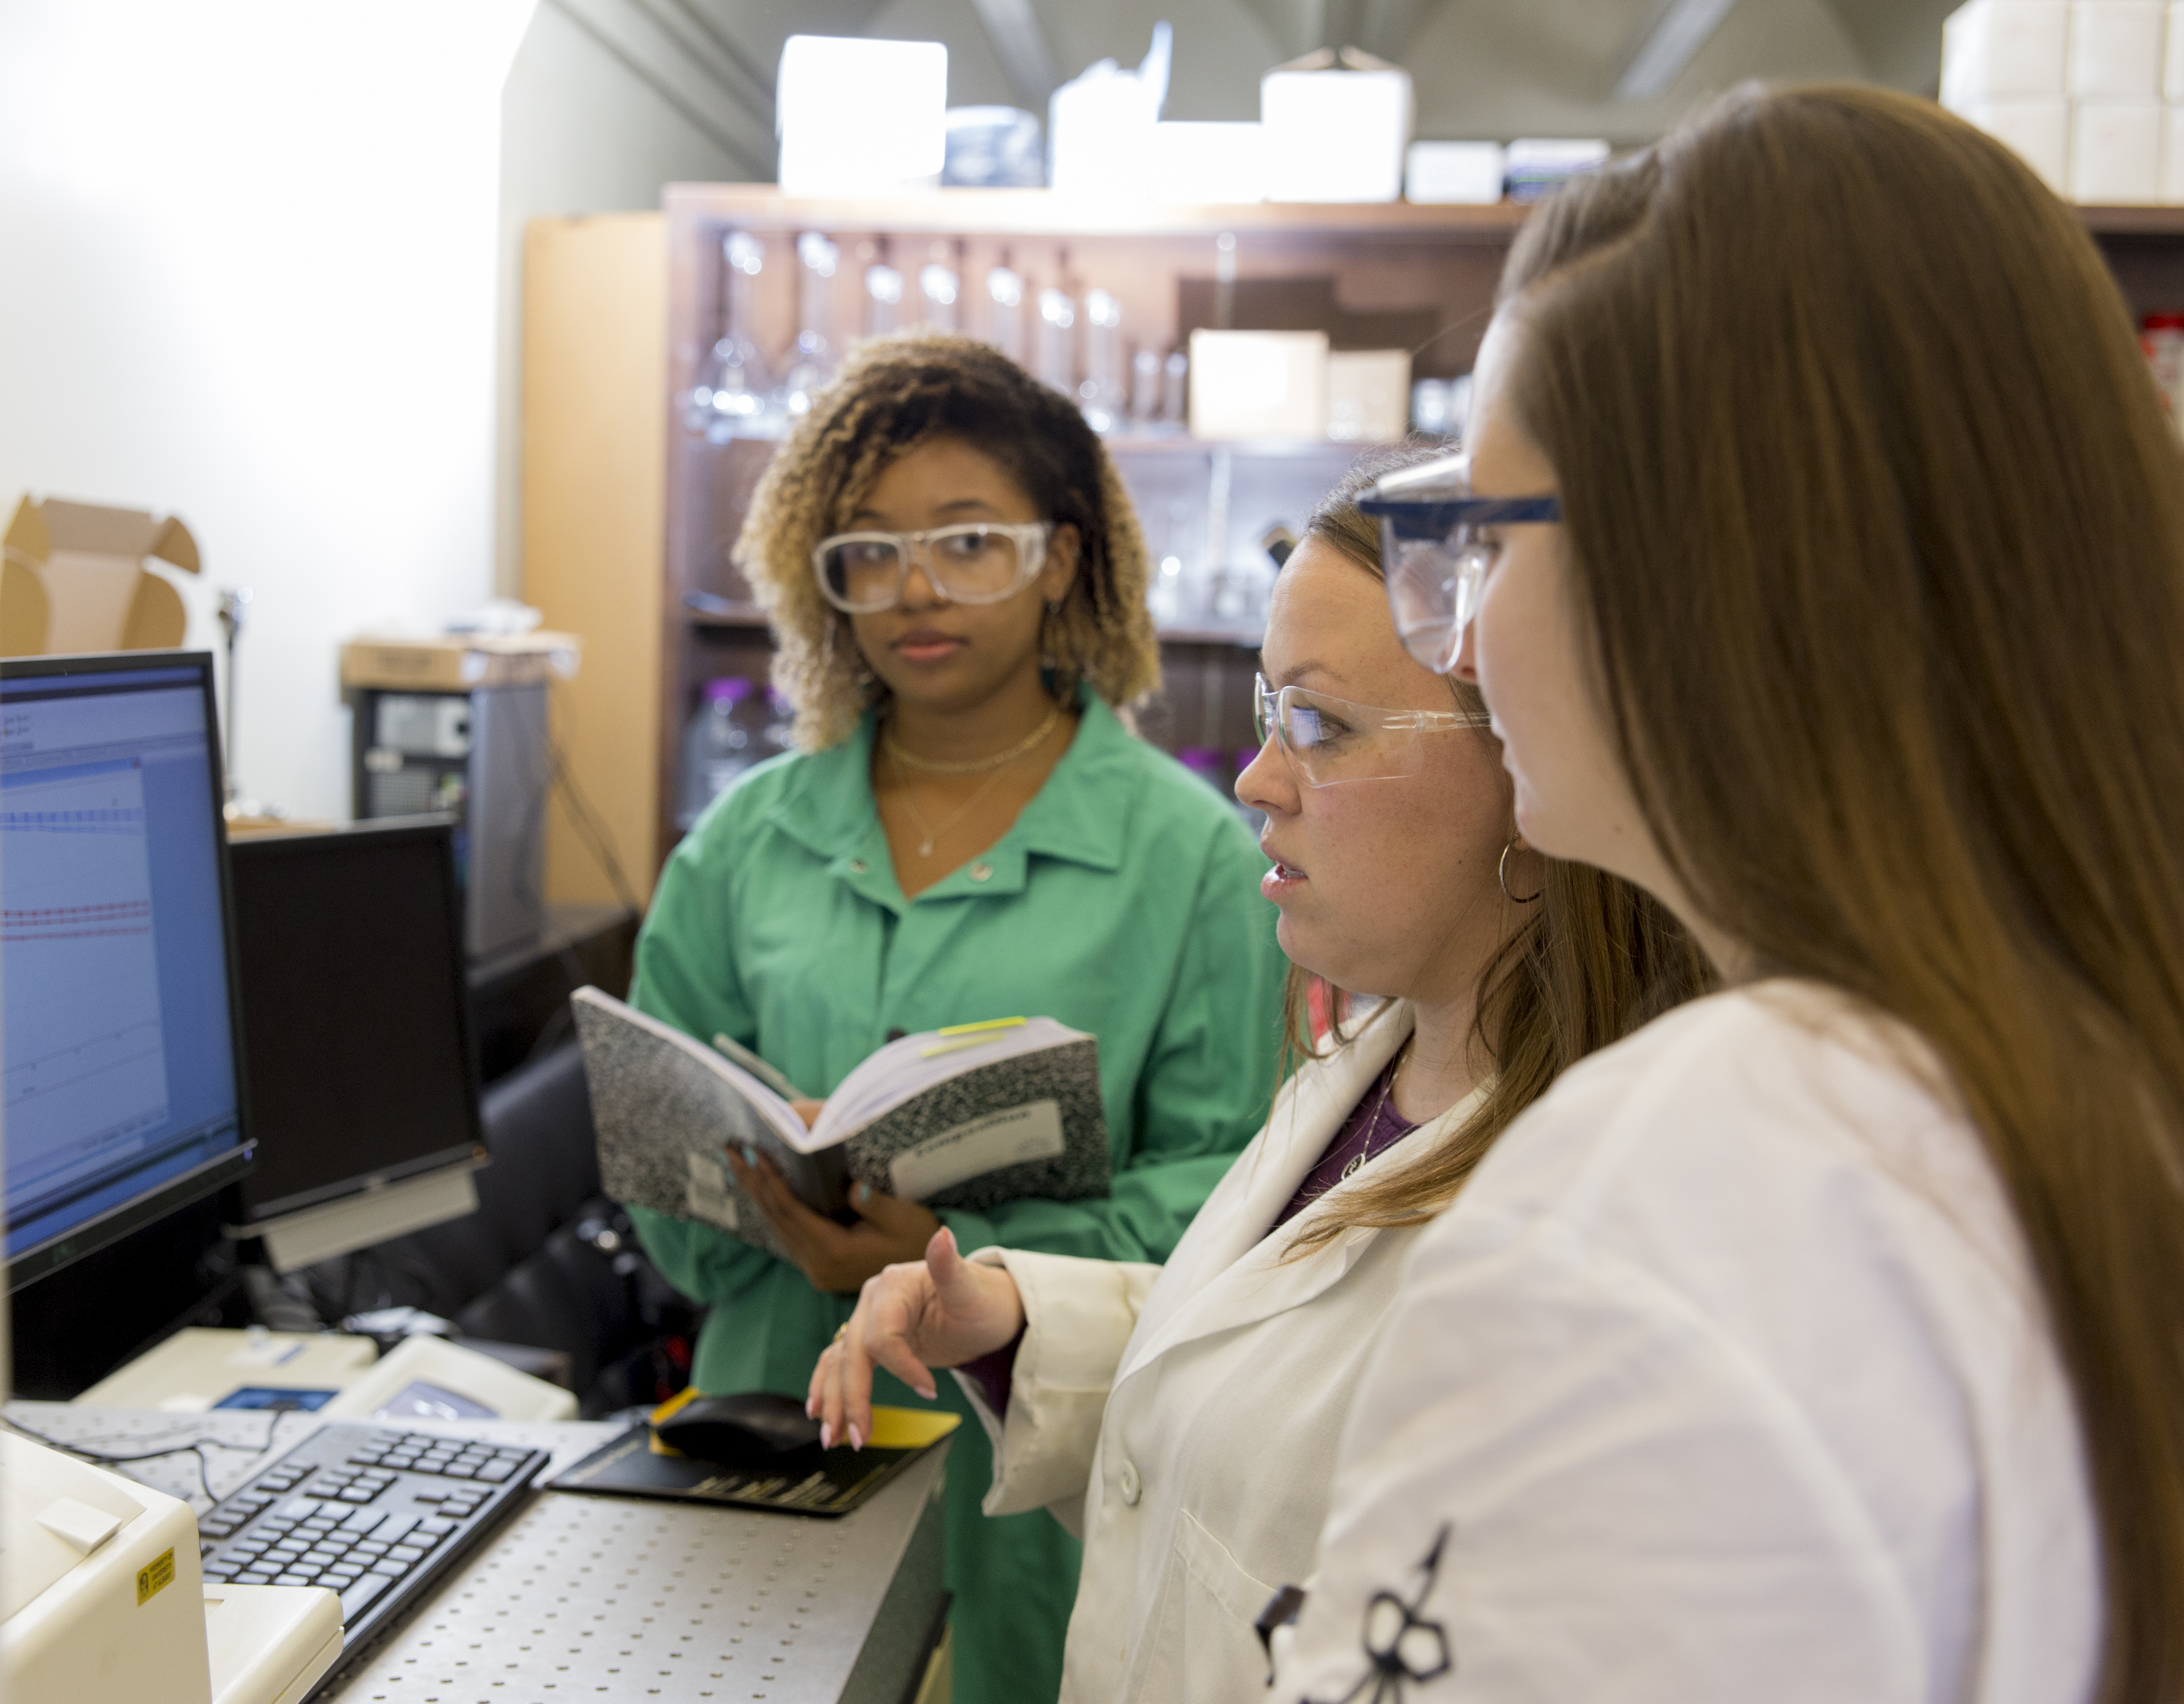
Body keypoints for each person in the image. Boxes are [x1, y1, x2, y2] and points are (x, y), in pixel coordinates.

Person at [1270, 85, 2184, 1704]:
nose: (1460, 640)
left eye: (1483, 537)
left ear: (1701, 558)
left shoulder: (1695, 1178)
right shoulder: (2081, 1059)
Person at [806, 455, 1708, 1704]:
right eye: (1273, 714)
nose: (1256, 779)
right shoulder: (1376, 1055)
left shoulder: (1604, 1230)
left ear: (1539, 767)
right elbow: (1260, 1353)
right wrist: (1020, 1328)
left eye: (1322, 726)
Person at [625, 334, 1284, 1704]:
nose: (914, 587)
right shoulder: (743, 845)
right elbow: (654, 1175)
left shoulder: (1197, 860)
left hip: (1046, 1480)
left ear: (1063, 556)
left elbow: (1236, 1201)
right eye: (865, 551)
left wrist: (958, 1261)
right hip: (776, 1438)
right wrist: (775, 1215)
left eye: (968, 541)